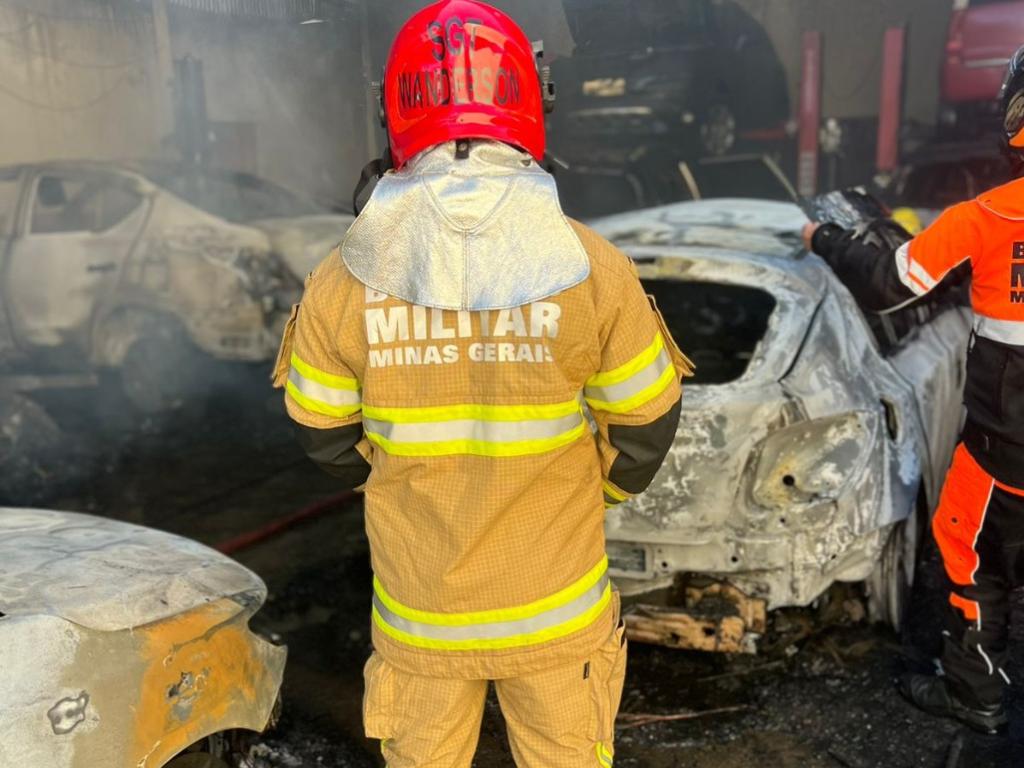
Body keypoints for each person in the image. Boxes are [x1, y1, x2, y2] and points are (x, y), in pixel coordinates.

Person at [273, 1, 692, 765]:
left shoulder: (341, 279)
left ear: (391, 111)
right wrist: (591, 493)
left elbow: (323, 437)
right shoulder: (594, 268)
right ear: (536, 103)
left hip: (420, 624)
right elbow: (645, 427)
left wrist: (406, 483)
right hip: (559, 625)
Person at [803, 47, 1024, 735]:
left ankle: (977, 693)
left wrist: (823, 239)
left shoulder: (985, 218)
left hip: (1002, 457)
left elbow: (885, 283)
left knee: (971, 556)